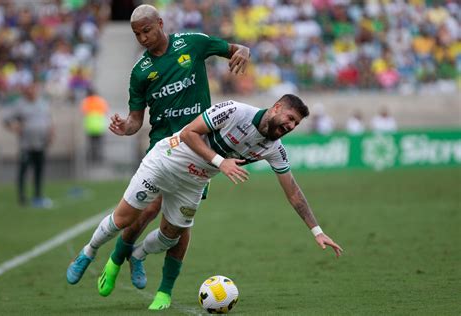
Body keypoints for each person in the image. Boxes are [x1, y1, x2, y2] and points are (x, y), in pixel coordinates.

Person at [68, 94, 342, 308]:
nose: (290, 126)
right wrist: (221, 162)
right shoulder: (236, 111)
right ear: (277, 107)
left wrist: (316, 231)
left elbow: (293, 191)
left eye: (295, 124)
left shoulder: (274, 149)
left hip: (193, 182)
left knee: (170, 237)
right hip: (166, 162)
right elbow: (188, 133)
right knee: (124, 219)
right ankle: (88, 252)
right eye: (290, 117)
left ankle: (137, 255)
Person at [67, 4, 251, 310]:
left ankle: (162, 288)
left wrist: (243, 49)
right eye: (136, 33)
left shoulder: (191, 43)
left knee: (179, 227)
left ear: (161, 24)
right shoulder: (141, 72)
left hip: (200, 150)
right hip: (163, 147)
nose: (142, 37)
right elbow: (135, 120)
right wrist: (124, 127)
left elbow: (236, 47)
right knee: (146, 210)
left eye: (146, 30)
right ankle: (115, 261)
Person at [3, 81, 54, 208]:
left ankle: (38, 195)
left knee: (39, 170)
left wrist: (51, 134)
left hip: (41, 143)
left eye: (32, 89)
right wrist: (14, 127)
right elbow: (6, 120)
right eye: (28, 89)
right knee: (23, 171)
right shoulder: (19, 105)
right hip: (26, 145)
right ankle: (22, 197)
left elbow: (49, 120)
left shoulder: (43, 103)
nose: (30, 92)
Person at [80, 87, 109, 163]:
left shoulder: (86, 101)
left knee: (91, 145)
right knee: (99, 145)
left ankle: (91, 159)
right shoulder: (101, 101)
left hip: (90, 127)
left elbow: (83, 112)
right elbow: (105, 111)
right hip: (100, 126)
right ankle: (99, 159)